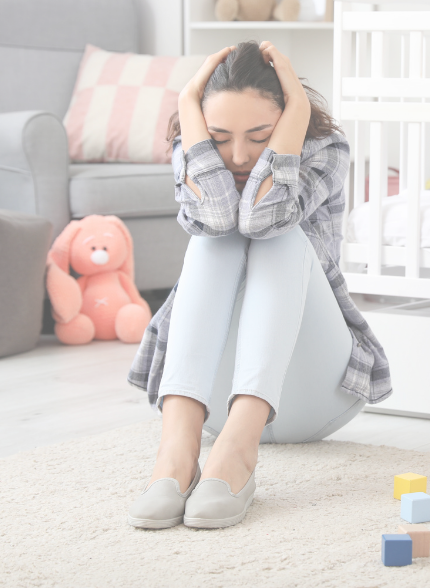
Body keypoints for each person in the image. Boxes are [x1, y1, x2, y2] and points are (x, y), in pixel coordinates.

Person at [126, 41, 391, 529]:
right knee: (213, 240)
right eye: (219, 137)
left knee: (280, 236)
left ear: (290, 116)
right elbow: (218, 216)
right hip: (212, 403)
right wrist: (189, 108)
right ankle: (177, 452)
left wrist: (295, 121)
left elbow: (264, 219)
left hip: (314, 394)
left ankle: (239, 452)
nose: (240, 154)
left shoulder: (325, 150)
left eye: (260, 134)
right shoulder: (192, 149)